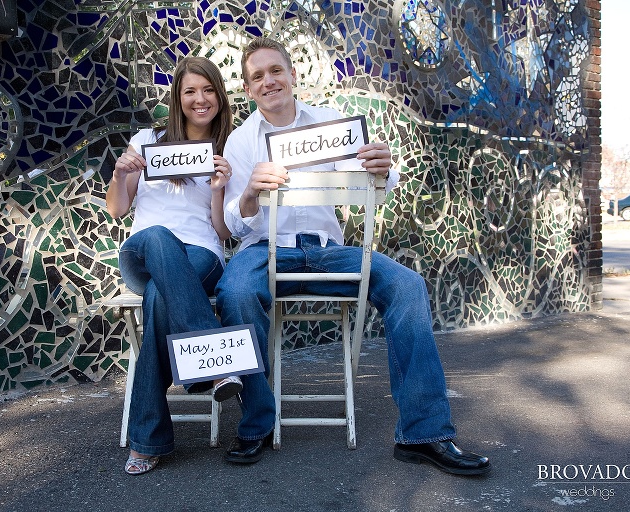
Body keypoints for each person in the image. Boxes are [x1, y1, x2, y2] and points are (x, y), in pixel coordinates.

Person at [214, 37, 491, 476]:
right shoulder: (241, 142)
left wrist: (384, 167)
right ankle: (257, 424)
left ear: (292, 75)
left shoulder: (333, 124)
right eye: (258, 77)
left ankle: (425, 434)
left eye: (276, 71)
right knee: (235, 291)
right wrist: (249, 190)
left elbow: (382, 183)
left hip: (328, 251)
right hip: (266, 251)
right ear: (248, 89)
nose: (269, 81)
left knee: (407, 286)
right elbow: (232, 221)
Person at [106, 56, 242, 475]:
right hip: (144, 251)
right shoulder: (148, 139)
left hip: (201, 256)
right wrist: (120, 172)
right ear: (177, 98)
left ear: (219, 96)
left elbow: (222, 233)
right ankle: (216, 360)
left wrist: (219, 189)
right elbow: (117, 208)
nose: (199, 100)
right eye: (190, 91)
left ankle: (148, 441)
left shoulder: (227, 150)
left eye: (207, 90)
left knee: (157, 301)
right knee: (162, 238)